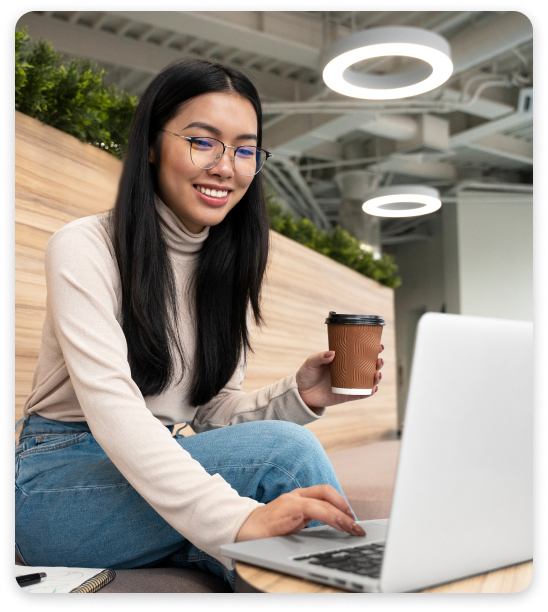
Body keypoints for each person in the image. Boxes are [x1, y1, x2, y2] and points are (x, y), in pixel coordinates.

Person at [15, 58, 384, 590]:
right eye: (202, 141)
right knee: (284, 459)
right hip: (57, 482)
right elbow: (116, 412)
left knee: (271, 533)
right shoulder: (85, 246)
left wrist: (301, 397)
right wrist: (236, 519)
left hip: (163, 457)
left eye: (245, 150)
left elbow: (209, 413)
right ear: (150, 145)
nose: (226, 167)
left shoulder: (225, 267)